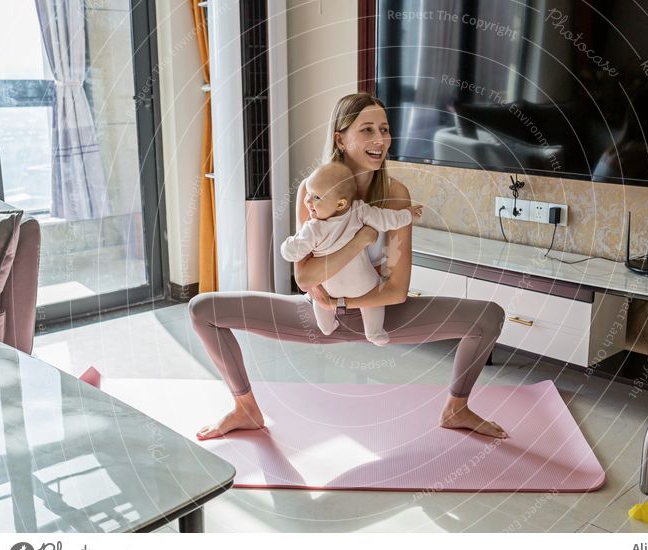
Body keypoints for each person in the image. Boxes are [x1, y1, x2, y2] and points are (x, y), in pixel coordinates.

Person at [189, 92, 509, 440]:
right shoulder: (312, 192)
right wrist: (358, 243)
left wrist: (343, 303)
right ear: (341, 139)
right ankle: (246, 410)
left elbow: (397, 290)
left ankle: (456, 408)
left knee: (488, 316)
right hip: (317, 317)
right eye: (367, 129)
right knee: (202, 308)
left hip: (378, 314)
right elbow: (305, 276)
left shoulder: (394, 195)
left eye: (384, 129)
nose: (380, 139)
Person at [280, 161, 424, 345]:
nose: (307, 201)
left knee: (321, 302)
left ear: (340, 203)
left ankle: (327, 327)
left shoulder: (313, 229)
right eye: (308, 194)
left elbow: (292, 251)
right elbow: (388, 220)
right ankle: (373, 332)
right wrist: (408, 215)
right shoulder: (359, 211)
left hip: (330, 288)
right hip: (363, 284)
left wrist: (287, 245)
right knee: (373, 300)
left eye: (315, 197)